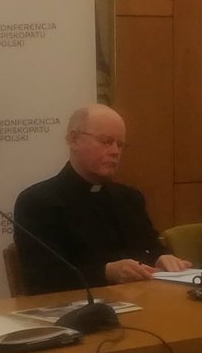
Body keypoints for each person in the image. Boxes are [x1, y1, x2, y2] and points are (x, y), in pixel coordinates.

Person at [13, 104, 190, 294]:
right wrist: (105, 272)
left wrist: (162, 257)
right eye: (106, 141)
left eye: (120, 144)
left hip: (143, 300)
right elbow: (42, 278)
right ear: (74, 140)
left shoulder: (129, 197)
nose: (115, 151)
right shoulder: (37, 202)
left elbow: (150, 245)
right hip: (80, 306)